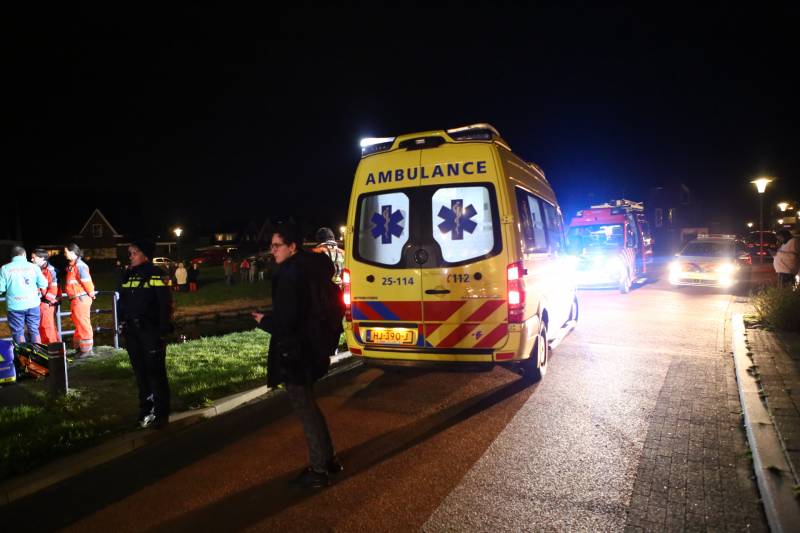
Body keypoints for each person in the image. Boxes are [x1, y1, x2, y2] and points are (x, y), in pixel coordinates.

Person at [252, 224, 341, 488]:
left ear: (292, 247)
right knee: (311, 407)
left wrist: (264, 321)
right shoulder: (313, 268)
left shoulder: (291, 273)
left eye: (277, 245)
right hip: (314, 349)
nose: (272, 250)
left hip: (296, 352)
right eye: (271, 245)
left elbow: (288, 321)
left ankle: (318, 470)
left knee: (305, 410)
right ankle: (328, 459)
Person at [118, 240, 174, 429]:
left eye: (134, 252)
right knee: (140, 374)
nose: (131, 256)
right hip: (132, 333)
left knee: (155, 374)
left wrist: (162, 331)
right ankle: (146, 411)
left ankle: (161, 414)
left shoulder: (156, 274)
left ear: (145, 255)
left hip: (150, 331)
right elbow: (123, 301)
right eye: (130, 253)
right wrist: (122, 321)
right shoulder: (128, 275)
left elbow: (165, 304)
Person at [0, 246, 47, 343]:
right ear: (24, 255)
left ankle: (23, 357)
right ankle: (37, 356)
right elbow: (44, 284)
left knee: (18, 332)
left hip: (15, 306)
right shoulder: (34, 267)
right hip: (33, 304)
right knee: (34, 330)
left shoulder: (5, 268)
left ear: (12, 256)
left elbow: (1, 289)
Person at [64, 243, 96, 356]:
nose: (64, 254)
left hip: (80, 299)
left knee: (83, 324)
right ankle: (80, 348)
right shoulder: (74, 266)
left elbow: (87, 281)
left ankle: (86, 350)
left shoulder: (79, 266)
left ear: (72, 252)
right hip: (77, 299)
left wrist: (91, 294)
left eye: (66, 252)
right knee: (79, 324)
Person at [31, 249, 60, 344]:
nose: (31, 260)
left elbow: (53, 289)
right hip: (41, 303)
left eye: (33, 257)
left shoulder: (50, 270)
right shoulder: (38, 269)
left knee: (48, 328)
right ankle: (48, 350)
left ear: (42, 258)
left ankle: (53, 350)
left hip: (47, 304)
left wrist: (46, 302)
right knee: (43, 327)